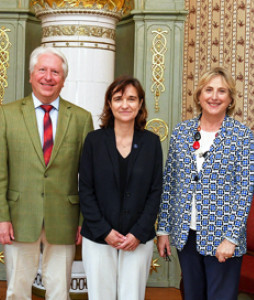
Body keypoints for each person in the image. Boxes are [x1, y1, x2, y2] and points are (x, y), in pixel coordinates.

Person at [0, 45, 94, 300]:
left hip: (64, 219)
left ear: (63, 80)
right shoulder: (8, 114)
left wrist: (83, 221)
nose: (48, 77)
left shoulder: (81, 118)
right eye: (42, 70)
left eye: (55, 72)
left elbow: (88, 178)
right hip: (18, 217)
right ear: (31, 75)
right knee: (17, 289)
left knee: (59, 290)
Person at [156, 67, 254, 299]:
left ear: (230, 99)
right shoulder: (181, 132)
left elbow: (245, 192)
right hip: (186, 235)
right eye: (209, 90)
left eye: (222, 91)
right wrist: (163, 229)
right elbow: (170, 183)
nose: (214, 96)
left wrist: (231, 238)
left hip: (222, 237)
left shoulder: (242, 136)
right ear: (199, 96)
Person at [78, 77, 163, 300]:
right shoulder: (94, 141)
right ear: (109, 104)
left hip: (138, 237)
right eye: (118, 99)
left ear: (140, 103)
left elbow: (156, 192)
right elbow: (85, 190)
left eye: (131, 99)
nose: (125, 104)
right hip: (98, 237)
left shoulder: (152, 143)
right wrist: (104, 231)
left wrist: (138, 232)